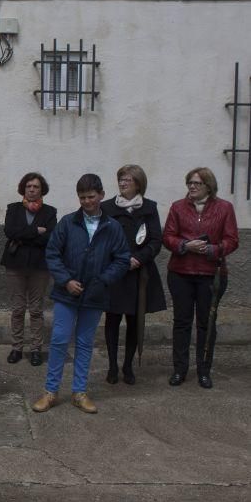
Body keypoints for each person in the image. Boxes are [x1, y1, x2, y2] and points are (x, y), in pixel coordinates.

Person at [32, 174, 130, 415]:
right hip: (67, 294)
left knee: (85, 343)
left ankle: (79, 392)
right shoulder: (67, 222)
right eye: (82, 197)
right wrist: (66, 281)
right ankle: (51, 391)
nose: (87, 201)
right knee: (59, 340)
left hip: (95, 295)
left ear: (101, 195)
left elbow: (122, 259)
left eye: (91, 197)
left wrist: (103, 280)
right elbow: (53, 253)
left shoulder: (112, 227)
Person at [162, 167, 239, 389]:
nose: (192, 187)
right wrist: (185, 245)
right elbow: (168, 236)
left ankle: (204, 371)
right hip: (180, 273)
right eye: (190, 183)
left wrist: (210, 250)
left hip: (211, 275)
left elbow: (232, 240)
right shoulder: (178, 207)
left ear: (209, 186)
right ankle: (179, 370)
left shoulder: (225, 208)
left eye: (197, 183)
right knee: (182, 323)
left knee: (207, 324)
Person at [100, 165, 166, 385]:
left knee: (134, 321)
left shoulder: (149, 208)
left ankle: (128, 365)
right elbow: (100, 238)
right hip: (115, 274)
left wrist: (138, 258)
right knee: (112, 320)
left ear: (138, 183)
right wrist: (119, 261)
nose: (122, 183)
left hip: (140, 274)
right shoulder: (107, 208)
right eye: (120, 179)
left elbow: (156, 240)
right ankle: (112, 365)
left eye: (127, 179)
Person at [0, 172, 57, 367]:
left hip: (39, 267)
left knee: (35, 310)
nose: (32, 190)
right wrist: (35, 231)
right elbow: (10, 231)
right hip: (15, 265)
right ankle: (17, 347)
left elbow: (49, 237)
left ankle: (35, 349)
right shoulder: (13, 209)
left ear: (42, 190)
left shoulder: (50, 212)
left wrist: (25, 235)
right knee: (17, 309)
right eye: (28, 186)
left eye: (36, 187)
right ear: (23, 189)